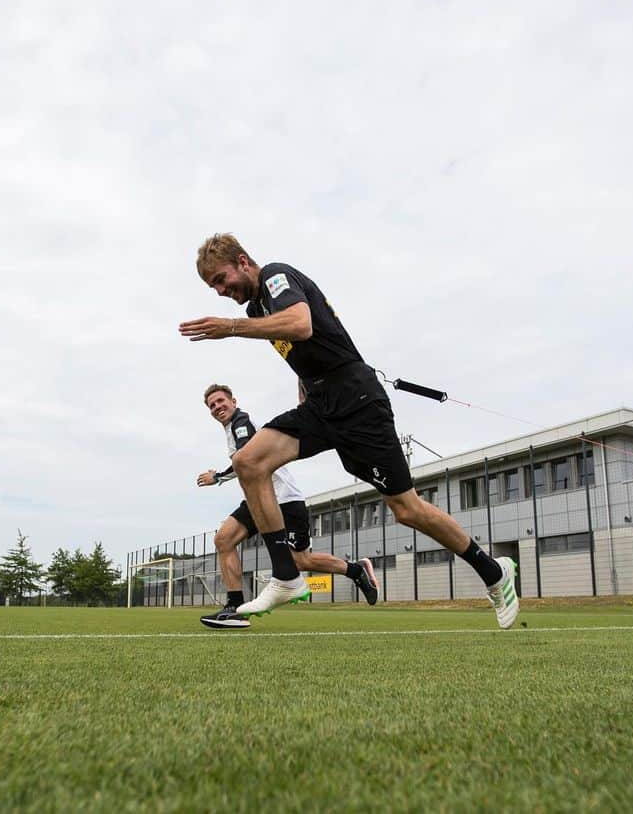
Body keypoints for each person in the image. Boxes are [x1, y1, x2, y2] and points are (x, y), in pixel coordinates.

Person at [179, 234, 519, 628]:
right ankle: (287, 576)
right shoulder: (258, 306)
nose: (221, 292)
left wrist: (233, 327)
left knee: (407, 510)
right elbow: (304, 355)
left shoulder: (275, 276)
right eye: (214, 288)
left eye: (221, 280)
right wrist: (304, 393)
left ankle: (493, 572)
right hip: (322, 406)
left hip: (358, 403)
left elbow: (301, 325)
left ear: (242, 261)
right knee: (249, 462)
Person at [197, 383, 379, 628]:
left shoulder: (241, 423)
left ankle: (356, 571)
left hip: (283, 500)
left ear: (234, 401)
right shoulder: (231, 430)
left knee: (300, 561)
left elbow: (247, 457)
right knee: (223, 539)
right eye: (212, 405)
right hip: (257, 499)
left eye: (221, 401)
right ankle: (234, 607)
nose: (217, 406)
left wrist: (218, 477)